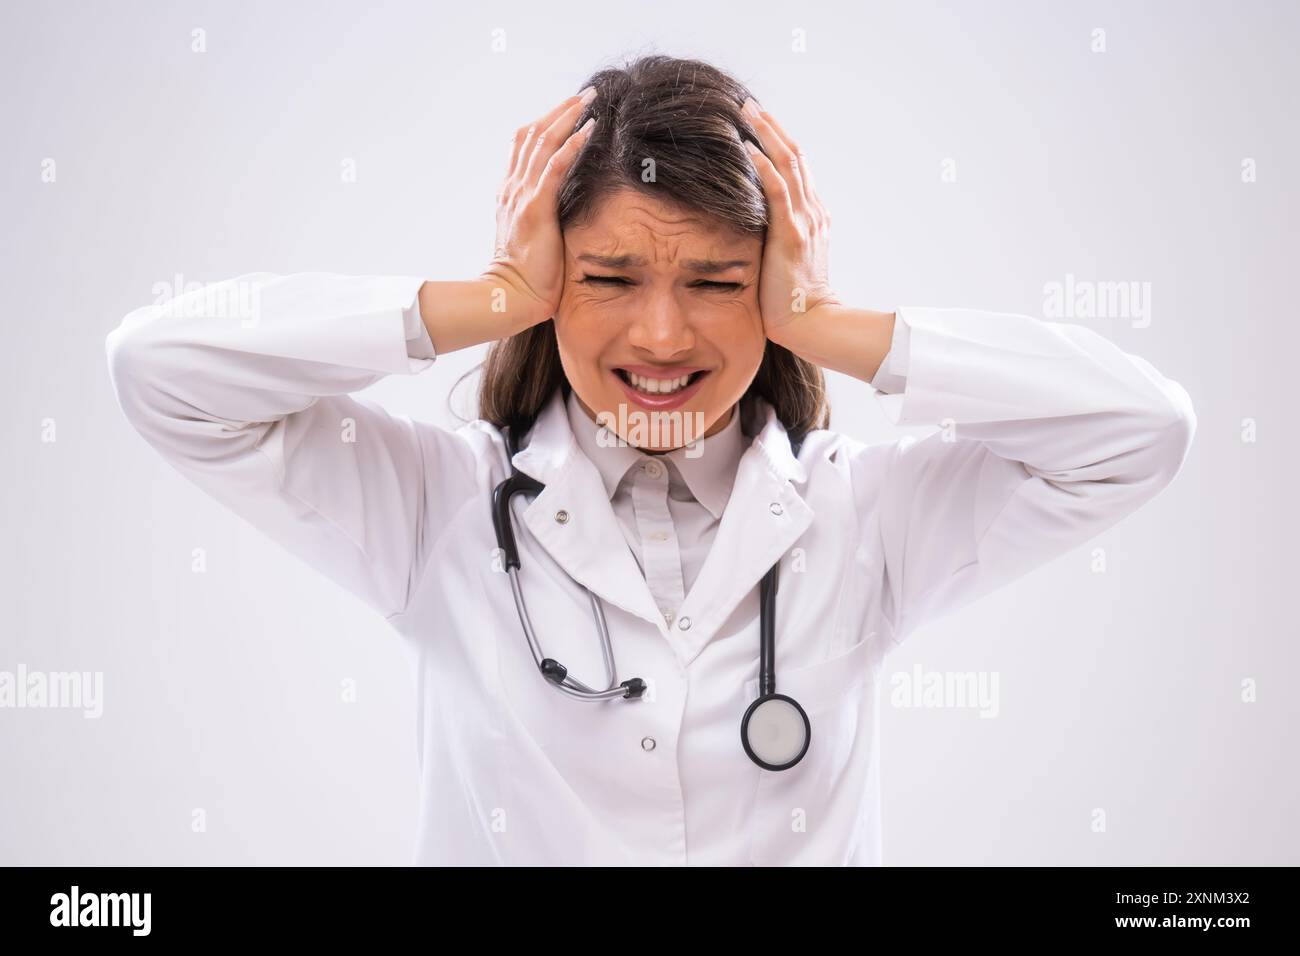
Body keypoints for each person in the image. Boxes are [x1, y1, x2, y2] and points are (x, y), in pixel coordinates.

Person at [105, 55, 1196, 866]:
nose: (663, 337)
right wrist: (486, 301)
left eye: (719, 283)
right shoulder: (441, 506)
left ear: (775, 289)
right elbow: (160, 369)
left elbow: (1140, 429)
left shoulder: (863, 516)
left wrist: (830, 326)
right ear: (549, 285)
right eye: (609, 278)